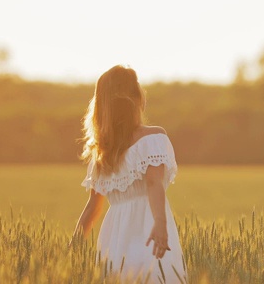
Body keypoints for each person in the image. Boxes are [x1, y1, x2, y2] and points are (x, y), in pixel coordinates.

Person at [71, 65, 186, 283]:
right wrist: (160, 224)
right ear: (137, 97)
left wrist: (73, 245)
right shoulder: (152, 138)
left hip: (114, 234)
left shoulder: (103, 151)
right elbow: (153, 184)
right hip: (149, 226)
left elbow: (92, 207)